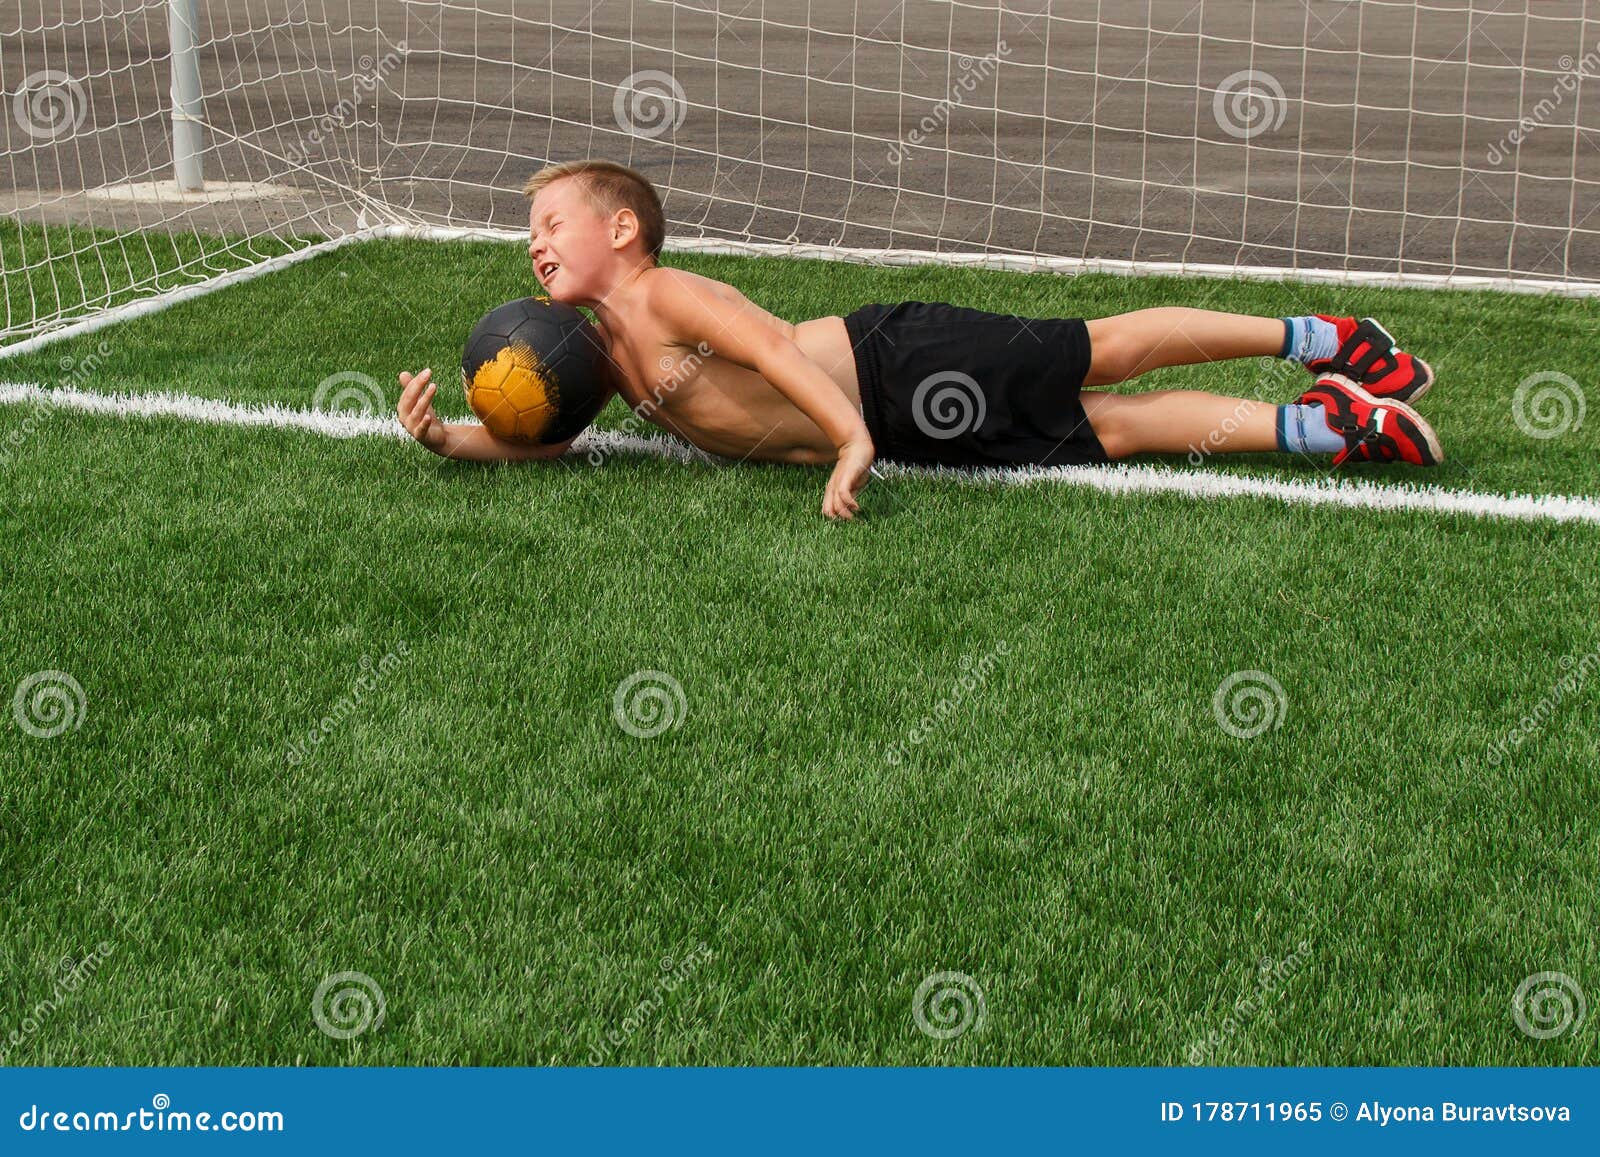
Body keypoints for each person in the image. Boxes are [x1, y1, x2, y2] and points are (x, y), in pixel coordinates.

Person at [398, 160, 1441, 521]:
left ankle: (1331, 336)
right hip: (899, 421)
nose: (533, 246)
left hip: (896, 363)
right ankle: (1331, 430)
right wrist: (450, 438)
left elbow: (766, 348)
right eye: (529, 235)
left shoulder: (662, 292)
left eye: (551, 225)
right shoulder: (597, 353)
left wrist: (850, 441)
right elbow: (550, 442)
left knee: (1106, 351)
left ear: (619, 230)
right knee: (1108, 434)